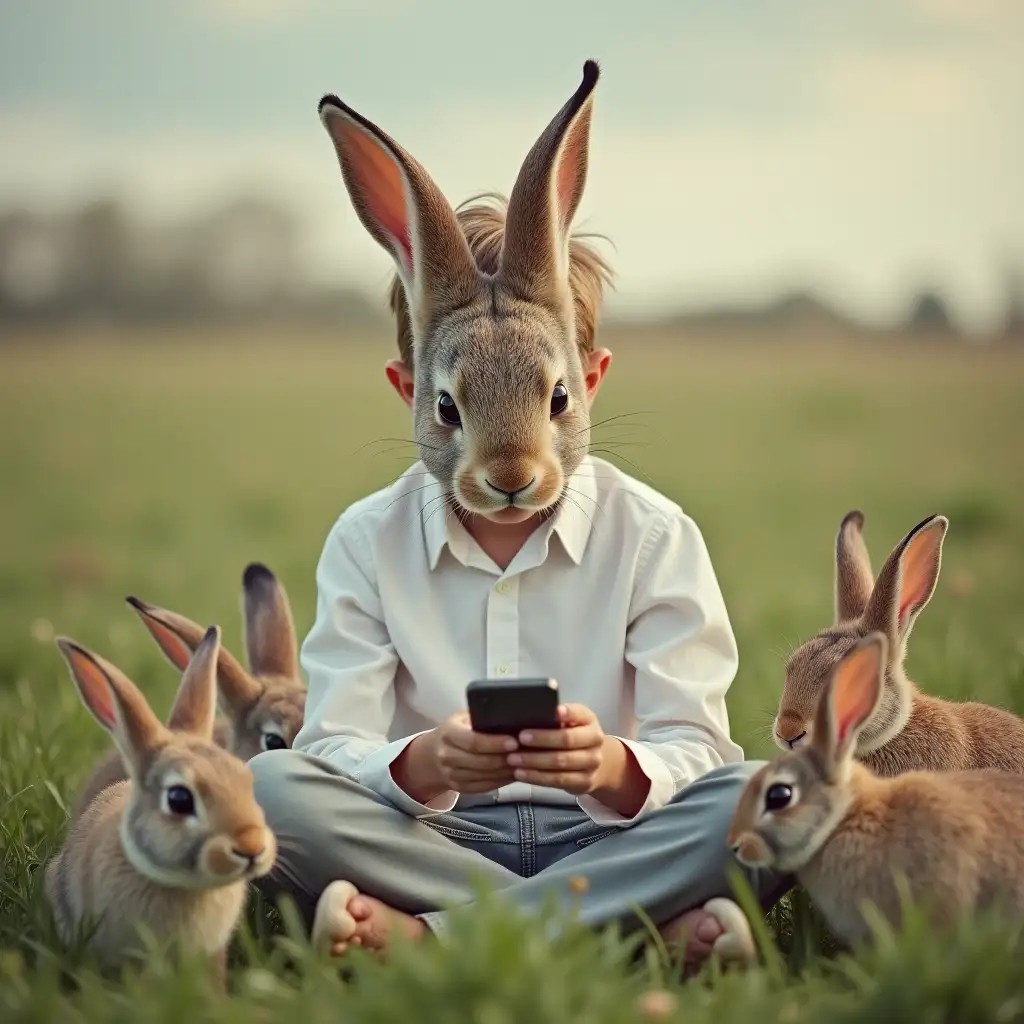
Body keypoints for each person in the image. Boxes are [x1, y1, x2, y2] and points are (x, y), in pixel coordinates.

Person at [250, 61, 789, 970]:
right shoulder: (365, 542)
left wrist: (615, 767)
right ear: (410, 395)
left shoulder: (653, 535)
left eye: (552, 406)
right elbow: (334, 740)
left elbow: (697, 744)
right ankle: (624, 939)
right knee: (270, 787)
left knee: (764, 798)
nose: (510, 468)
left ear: (591, 383)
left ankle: (436, 945)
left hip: (611, 837)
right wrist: (423, 763)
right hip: (435, 845)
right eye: (456, 412)